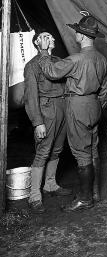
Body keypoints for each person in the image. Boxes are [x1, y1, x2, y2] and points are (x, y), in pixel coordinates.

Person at [37, 15, 107, 212]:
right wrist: (96, 108)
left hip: (78, 105)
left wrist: (43, 51)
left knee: (81, 152)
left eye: (77, 31)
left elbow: (51, 71)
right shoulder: (101, 59)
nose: (75, 33)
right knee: (93, 150)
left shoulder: (76, 59)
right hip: (94, 105)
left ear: (83, 36)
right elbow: (103, 90)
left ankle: (85, 199)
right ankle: (94, 193)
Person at [23, 30, 72, 213]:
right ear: (37, 42)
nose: (50, 38)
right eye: (44, 36)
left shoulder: (58, 61)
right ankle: (34, 195)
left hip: (63, 108)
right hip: (46, 111)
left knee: (57, 149)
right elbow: (31, 97)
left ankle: (50, 184)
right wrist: (37, 122)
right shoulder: (33, 65)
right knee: (43, 151)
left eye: (50, 36)